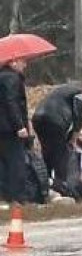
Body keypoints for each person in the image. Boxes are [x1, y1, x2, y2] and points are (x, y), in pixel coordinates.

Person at [31, 79, 82, 194]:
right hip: (55, 120)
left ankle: (43, 187)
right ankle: (61, 187)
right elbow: (79, 115)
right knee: (61, 155)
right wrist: (74, 138)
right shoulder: (80, 92)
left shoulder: (63, 88)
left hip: (38, 118)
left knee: (47, 152)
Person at [0, 57, 30, 209]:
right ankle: (18, 197)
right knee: (16, 162)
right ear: (12, 62)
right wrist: (20, 126)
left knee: (3, 163)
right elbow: (12, 102)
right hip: (10, 128)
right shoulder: (12, 78)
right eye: (22, 61)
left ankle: (4, 197)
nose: (25, 64)